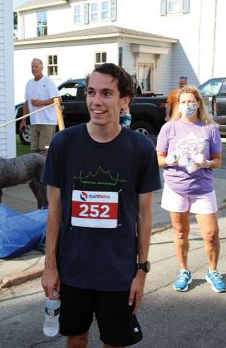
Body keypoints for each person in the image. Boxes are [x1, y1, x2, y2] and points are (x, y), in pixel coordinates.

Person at [41, 62, 161, 348]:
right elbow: (54, 210)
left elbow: (145, 215)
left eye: (107, 93)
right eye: (91, 92)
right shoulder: (63, 143)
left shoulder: (141, 149)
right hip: (73, 269)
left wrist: (141, 271)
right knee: (76, 337)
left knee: (114, 342)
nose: (96, 101)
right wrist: (50, 267)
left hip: (118, 271)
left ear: (124, 101)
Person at [156, 85, 226, 293]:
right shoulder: (169, 128)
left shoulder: (209, 128)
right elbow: (159, 158)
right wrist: (169, 159)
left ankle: (212, 271)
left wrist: (205, 163)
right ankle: (183, 270)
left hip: (202, 189)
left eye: (191, 101)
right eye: (183, 102)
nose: (188, 105)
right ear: (178, 105)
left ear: (198, 103)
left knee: (212, 234)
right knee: (180, 232)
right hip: (176, 187)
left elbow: (218, 160)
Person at [19, 58, 60, 156]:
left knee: (45, 150)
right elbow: (26, 103)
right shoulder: (29, 83)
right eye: (32, 66)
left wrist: (40, 103)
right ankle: (39, 171)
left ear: (42, 67)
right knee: (35, 150)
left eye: (36, 66)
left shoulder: (48, 82)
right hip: (34, 122)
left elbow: (58, 99)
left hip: (47, 122)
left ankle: (46, 171)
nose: (34, 68)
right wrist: (23, 120)